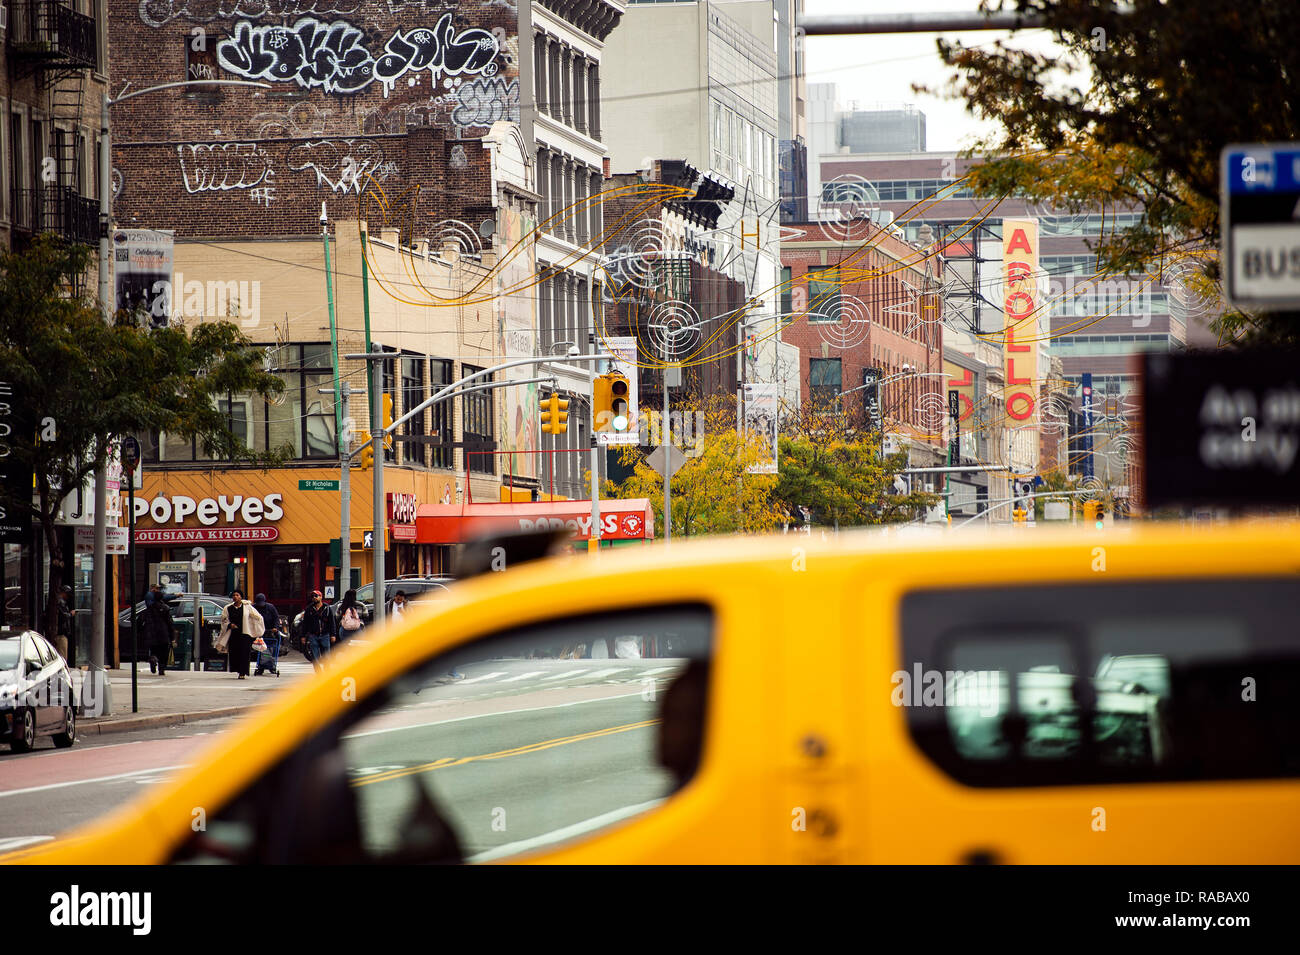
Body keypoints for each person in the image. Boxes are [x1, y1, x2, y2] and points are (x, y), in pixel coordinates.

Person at [218, 590, 264, 680]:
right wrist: (229, 625)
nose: (235, 597)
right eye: (234, 595)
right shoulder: (228, 608)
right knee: (235, 653)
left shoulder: (247, 607)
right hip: (233, 634)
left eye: (237, 595)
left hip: (245, 634)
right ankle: (237, 669)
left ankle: (243, 672)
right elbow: (224, 619)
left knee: (244, 653)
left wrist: (253, 626)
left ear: (241, 597)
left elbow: (257, 617)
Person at [300, 590, 335, 673]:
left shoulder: (327, 608)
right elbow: (305, 623)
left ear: (321, 597)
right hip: (313, 635)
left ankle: (327, 672)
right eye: (312, 596)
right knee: (315, 657)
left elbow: (332, 622)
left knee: (326, 656)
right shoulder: (309, 609)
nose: (314, 598)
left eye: (316, 596)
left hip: (325, 635)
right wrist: (303, 636)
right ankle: (319, 672)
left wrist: (333, 634)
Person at [140, 593, 176, 676]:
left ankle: (153, 658)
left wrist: (142, 631)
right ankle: (161, 669)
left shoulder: (149, 609)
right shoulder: (165, 608)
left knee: (154, 649)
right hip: (163, 633)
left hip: (151, 633)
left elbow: (140, 621)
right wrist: (172, 635)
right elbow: (170, 623)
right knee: (163, 652)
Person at [252, 593, 282, 676]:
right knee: (261, 649)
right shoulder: (253, 608)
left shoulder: (270, 607)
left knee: (271, 648)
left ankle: (271, 665)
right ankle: (261, 666)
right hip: (260, 631)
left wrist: (276, 628)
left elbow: (276, 618)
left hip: (270, 631)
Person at [53, 585, 74, 662]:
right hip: (61, 634)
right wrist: (71, 614)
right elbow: (63, 616)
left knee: (62, 655)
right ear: (64, 593)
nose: (68, 597)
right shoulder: (60, 602)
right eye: (67, 594)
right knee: (62, 656)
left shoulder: (59, 602)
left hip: (61, 633)